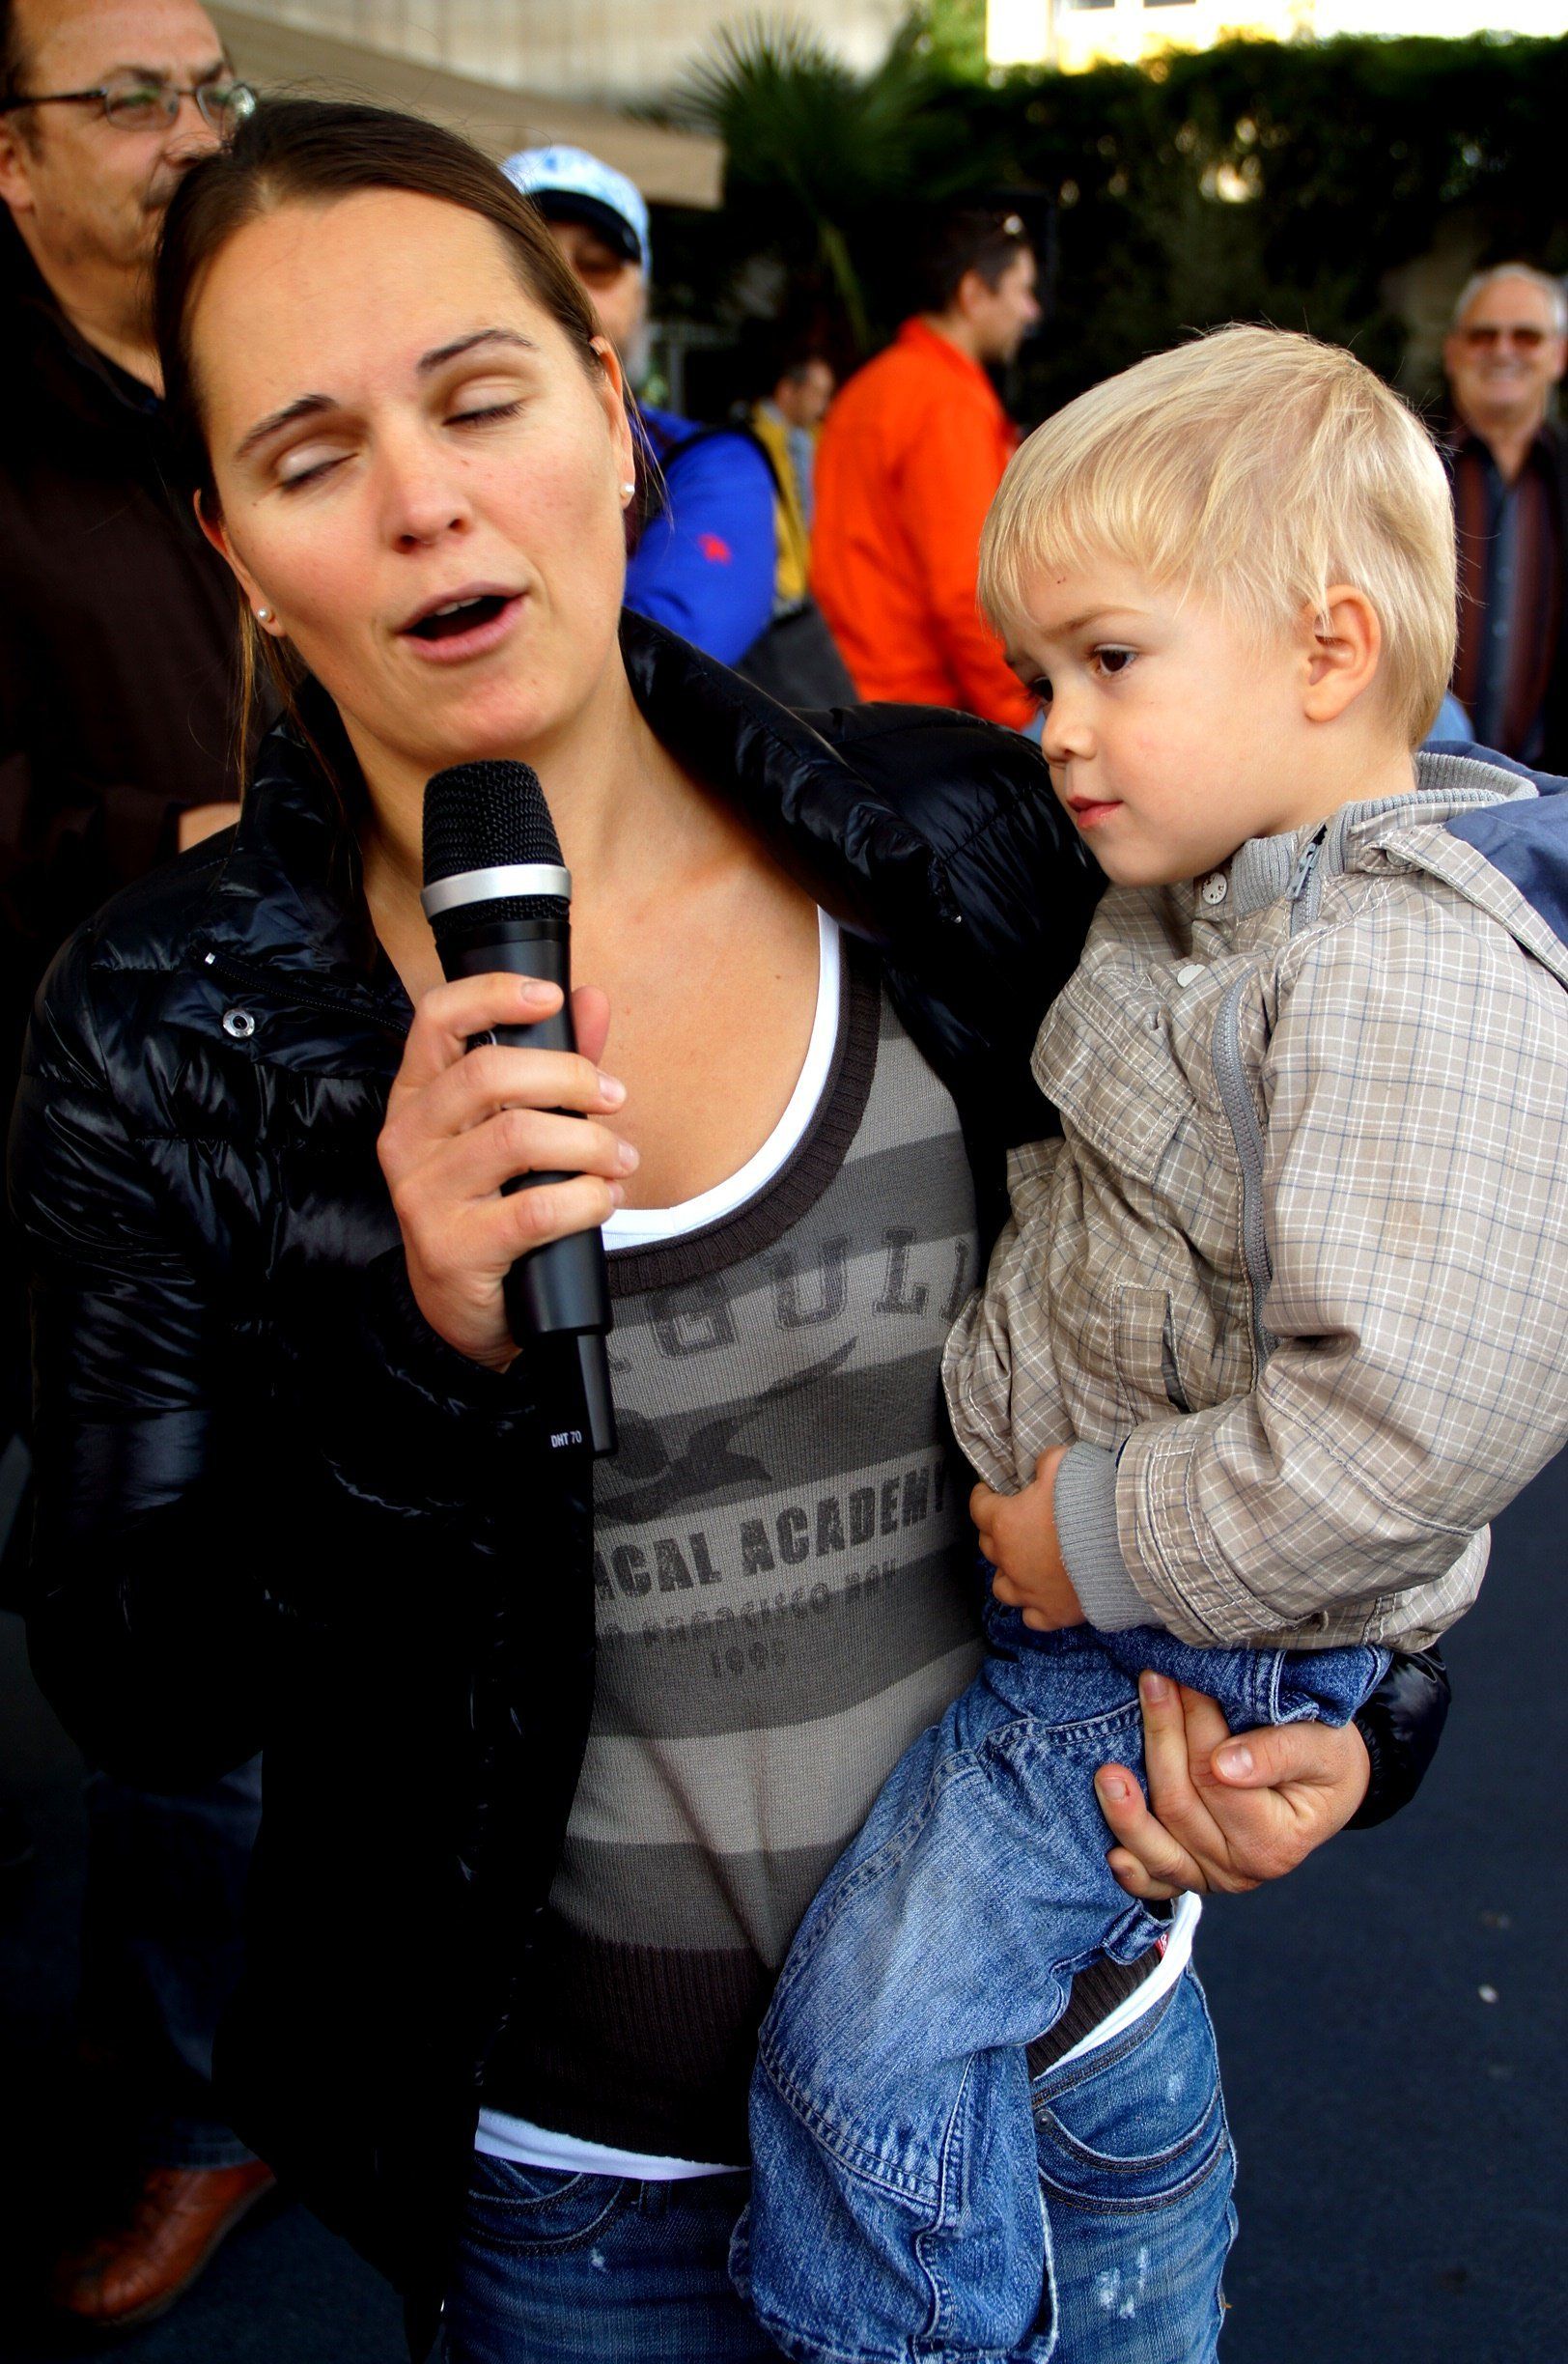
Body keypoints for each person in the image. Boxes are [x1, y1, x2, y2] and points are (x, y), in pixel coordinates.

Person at [11, 100, 1448, 2364]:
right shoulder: (163, 1023)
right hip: (577, 2199)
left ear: (613, 408)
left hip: (1065, 2094)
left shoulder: (962, 839)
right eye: (309, 456)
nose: (423, 501)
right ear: (235, 549)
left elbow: (1347, 1299)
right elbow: (141, 1671)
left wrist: (1368, 1724)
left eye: (480, 399)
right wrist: (414, 1342)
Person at [737, 326, 1568, 2364]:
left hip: (1161, 1629)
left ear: (1324, 651)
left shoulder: (1401, 973)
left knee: (869, 2032)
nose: (1054, 730)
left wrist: (1091, 1534)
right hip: (1128, 1607)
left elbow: (1410, 1426)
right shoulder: (1224, 894)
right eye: (1037, 676)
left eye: (1108, 661)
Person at [0, 0, 273, 2329]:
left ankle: (209, 2090)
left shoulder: (268, 357)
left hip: (268, 1126)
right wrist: (154, 846)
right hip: (30, 1124)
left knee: (219, 1623)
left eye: (208, 89)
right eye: (127, 97)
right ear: (7, 158)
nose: (188, 133)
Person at [502, 142, 777, 672]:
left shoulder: (708, 465)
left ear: (642, 300)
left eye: (598, 266)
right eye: (527, 261)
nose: (564, 289)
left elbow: (667, 659)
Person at [812, 208, 1042, 728]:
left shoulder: (872, 386)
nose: (1031, 311)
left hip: (852, 696)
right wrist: (1025, 707)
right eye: (1023, 290)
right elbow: (970, 592)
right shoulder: (945, 402)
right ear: (973, 294)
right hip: (922, 714)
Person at [1442, 262, 1568, 770]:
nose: (1503, 350)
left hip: (1551, 793)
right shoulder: (1400, 467)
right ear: (1453, 352)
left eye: (1527, 336)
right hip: (1417, 786)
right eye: (1483, 335)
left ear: (1559, 356)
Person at [749, 349, 835, 612]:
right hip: (778, 593)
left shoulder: (817, 439)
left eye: (826, 394)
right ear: (787, 391)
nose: (823, 405)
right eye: (816, 393)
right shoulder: (755, 444)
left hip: (809, 590)